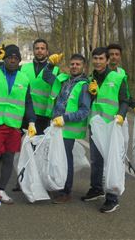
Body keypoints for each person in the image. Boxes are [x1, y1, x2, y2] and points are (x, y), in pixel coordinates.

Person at [0, 44, 36, 210]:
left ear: (19, 61)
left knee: (9, 159)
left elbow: (28, 102)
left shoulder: (24, 79)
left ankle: (1, 191)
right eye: (10, 57)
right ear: (4, 59)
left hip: (14, 126)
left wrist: (31, 121)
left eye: (16, 58)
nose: (12, 60)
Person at [81, 47, 129, 213]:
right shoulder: (90, 78)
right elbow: (90, 101)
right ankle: (96, 189)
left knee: (112, 161)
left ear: (108, 60)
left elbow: (125, 100)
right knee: (96, 160)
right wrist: (92, 94)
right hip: (95, 125)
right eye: (95, 58)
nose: (98, 61)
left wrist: (121, 115)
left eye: (101, 58)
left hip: (112, 126)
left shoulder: (118, 77)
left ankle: (112, 198)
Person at [43, 54, 91, 203]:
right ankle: (58, 186)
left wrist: (65, 118)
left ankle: (66, 191)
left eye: (78, 64)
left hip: (68, 129)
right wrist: (50, 64)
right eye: (72, 64)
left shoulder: (84, 85)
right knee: (55, 158)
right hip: (56, 126)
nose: (74, 67)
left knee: (65, 159)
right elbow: (46, 76)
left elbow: (84, 111)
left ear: (83, 66)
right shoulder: (64, 80)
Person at [20, 39, 63, 136]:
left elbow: (61, 93)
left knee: (40, 147)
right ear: (33, 51)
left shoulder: (55, 70)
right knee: (25, 147)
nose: (39, 51)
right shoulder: (23, 68)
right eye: (37, 48)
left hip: (44, 115)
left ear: (47, 51)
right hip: (25, 113)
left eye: (42, 48)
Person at [106, 43, 135, 116]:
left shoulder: (122, 73)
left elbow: (126, 94)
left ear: (120, 57)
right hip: (103, 115)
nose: (114, 57)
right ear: (107, 56)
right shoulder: (101, 73)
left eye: (117, 54)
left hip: (120, 114)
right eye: (111, 54)